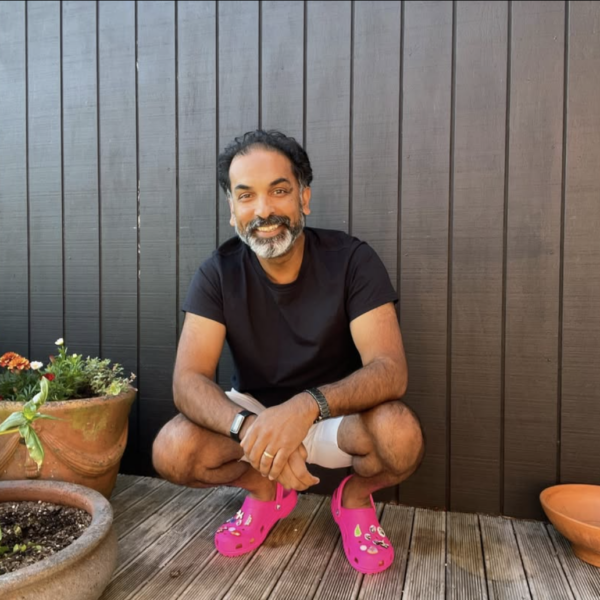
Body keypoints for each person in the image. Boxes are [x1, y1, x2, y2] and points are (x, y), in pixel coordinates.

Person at [152, 130, 424, 575]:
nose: (263, 210)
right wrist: (250, 428)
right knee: (172, 449)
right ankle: (266, 491)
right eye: (246, 196)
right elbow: (188, 381)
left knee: (401, 437)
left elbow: (390, 370)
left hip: (336, 417)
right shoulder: (217, 274)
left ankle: (354, 499)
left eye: (279, 190)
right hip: (255, 415)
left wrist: (305, 406)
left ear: (304, 197)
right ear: (232, 210)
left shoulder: (352, 261)